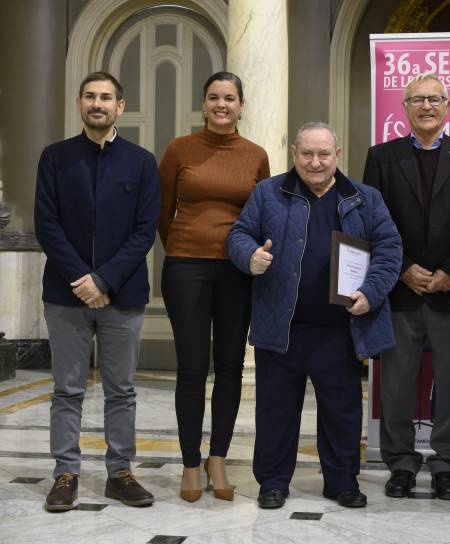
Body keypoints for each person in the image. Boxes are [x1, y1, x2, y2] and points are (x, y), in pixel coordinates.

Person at [227, 122, 402, 510]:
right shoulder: (267, 193)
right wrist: (249, 256)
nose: (315, 162)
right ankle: (272, 482)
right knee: (275, 411)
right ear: (294, 154)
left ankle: (341, 482)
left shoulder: (364, 197)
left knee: (341, 411)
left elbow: (390, 249)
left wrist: (370, 293)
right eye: (307, 153)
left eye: (324, 154)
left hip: (341, 328)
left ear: (337, 155)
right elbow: (238, 235)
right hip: (281, 325)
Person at [362, 73, 450, 500]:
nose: (427, 106)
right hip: (400, 290)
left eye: (435, 99)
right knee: (396, 383)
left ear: (448, 106)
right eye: (417, 99)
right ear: (404, 108)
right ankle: (399, 463)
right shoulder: (381, 157)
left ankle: (445, 465)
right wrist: (401, 268)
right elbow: (372, 223)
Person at [34, 71, 159, 511]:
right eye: (90, 96)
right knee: (67, 390)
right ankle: (65, 472)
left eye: (106, 97)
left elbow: (145, 231)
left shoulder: (142, 162)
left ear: (120, 106)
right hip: (66, 296)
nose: (97, 103)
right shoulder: (55, 157)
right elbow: (47, 225)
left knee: (120, 390)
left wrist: (103, 281)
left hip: (122, 296)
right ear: (79, 104)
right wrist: (84, 282)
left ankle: (120, 472)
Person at [158, 71, 270, 502]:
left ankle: (217, 457)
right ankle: (190, 461)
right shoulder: (179, 150)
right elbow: (161, 210)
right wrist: (186, 248)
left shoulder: (256, 155)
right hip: (186, 267)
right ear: (203, 104)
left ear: (242, 105)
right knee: (190, 368)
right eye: (213, 98)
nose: (221, 105)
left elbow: (262, 215)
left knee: (229, 367)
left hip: (236, 272)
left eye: (229, 98)